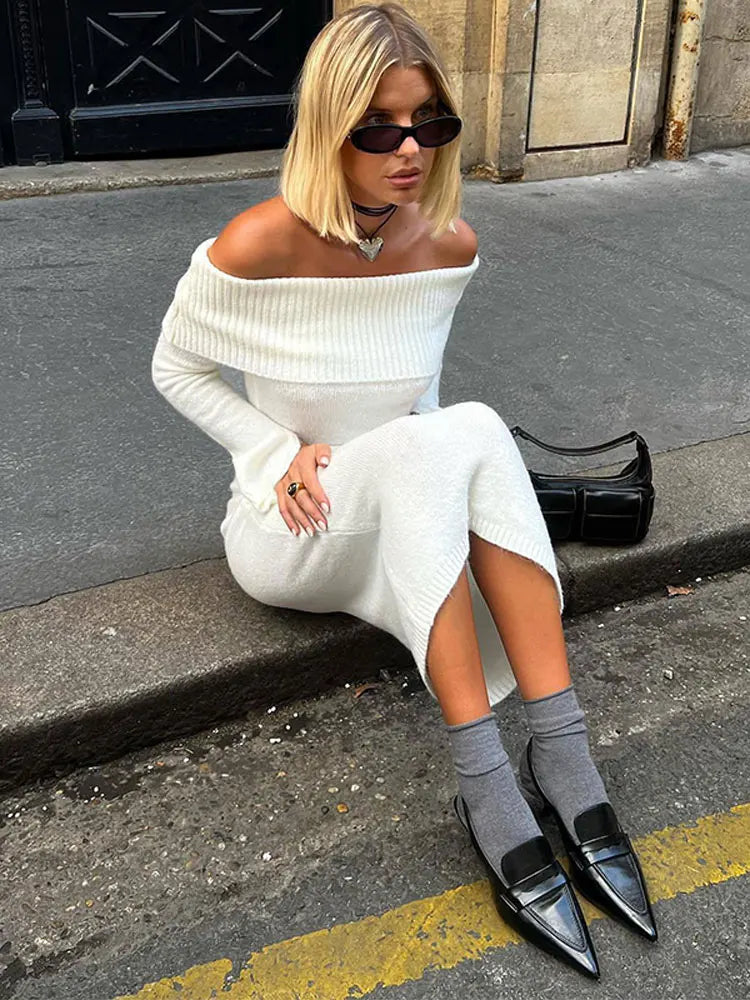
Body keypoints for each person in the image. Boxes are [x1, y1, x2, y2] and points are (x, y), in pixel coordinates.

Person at [151, 1, 657, 979]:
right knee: (458, 431)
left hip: (400, 514)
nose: (410, 148)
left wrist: (452, 483)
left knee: (461, 424)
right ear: (327, 129)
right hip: (294, 531)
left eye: (430, 121)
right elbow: (176, 368)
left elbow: (418, 403)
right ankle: (487, 781)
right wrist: (273, 450)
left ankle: (563, 753)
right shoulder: (259, 243)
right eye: (378, 127)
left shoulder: (448, 247)